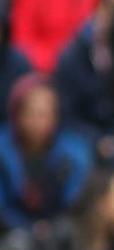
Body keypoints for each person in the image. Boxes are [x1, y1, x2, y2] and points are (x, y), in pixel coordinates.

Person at [0, 77, 93, 229]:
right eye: (32, 113)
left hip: (59, 230)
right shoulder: (3, 150)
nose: (38, 122)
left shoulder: (74, 154)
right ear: (17, 114)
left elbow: (75, 204)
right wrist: (26, 228)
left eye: (45, 114)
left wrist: (51, 229)